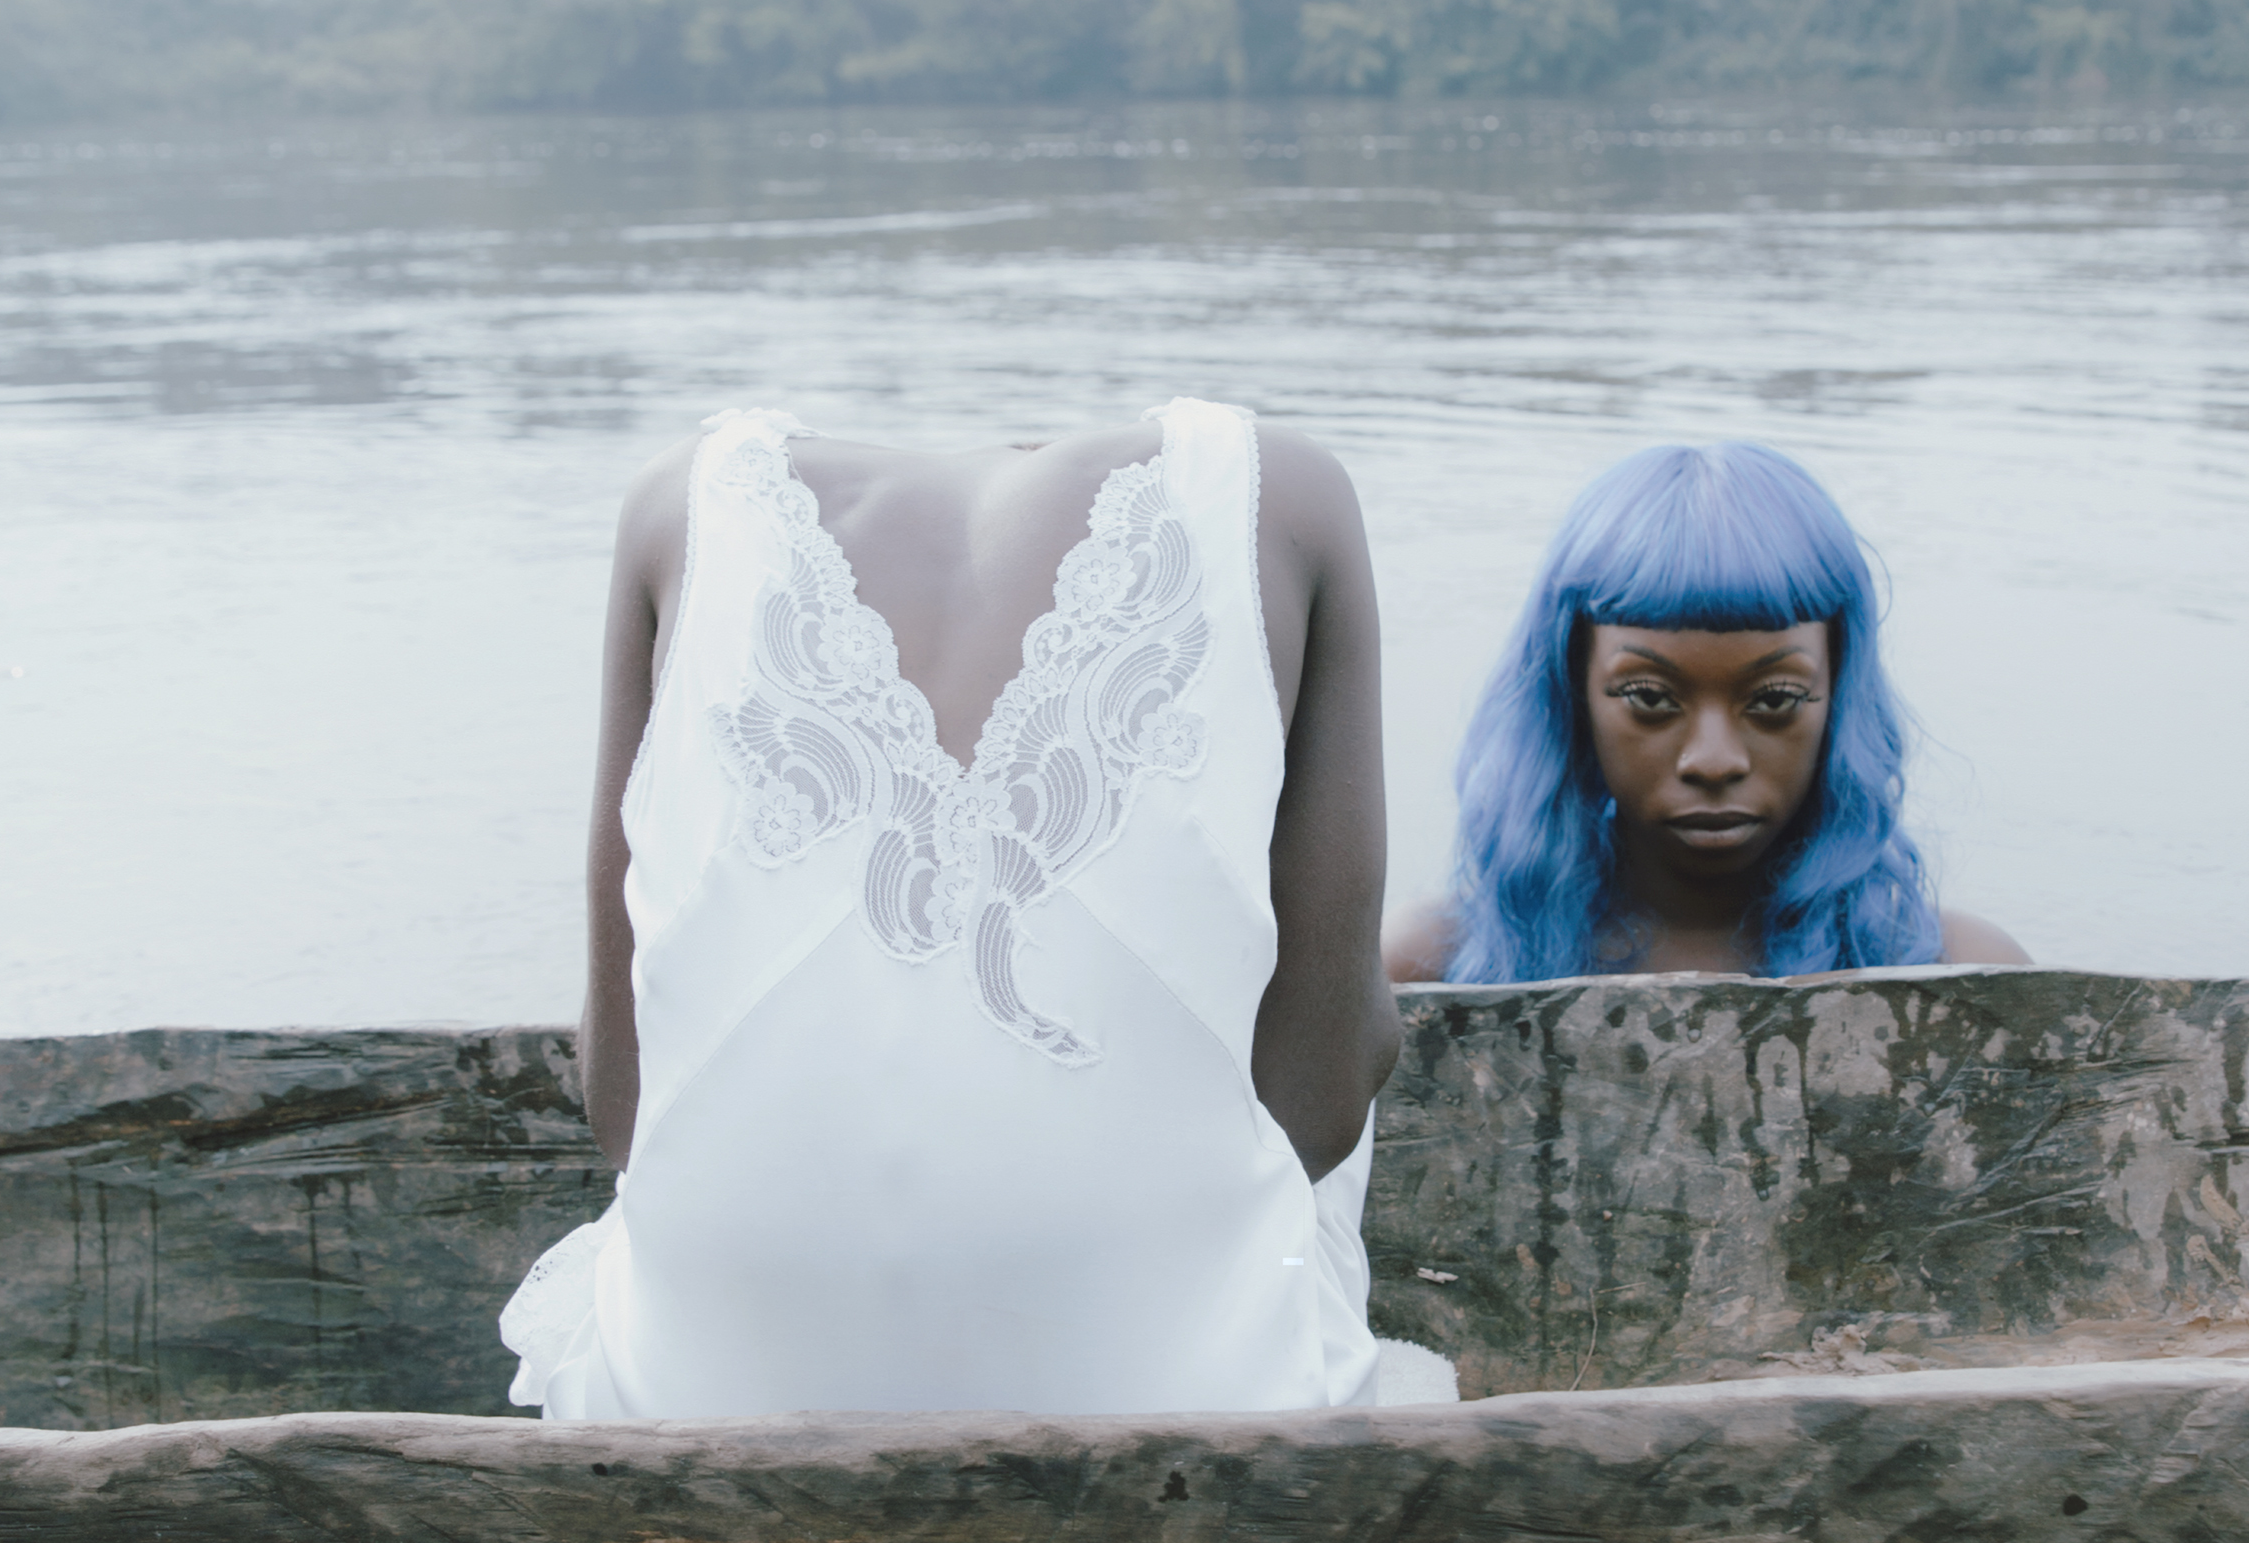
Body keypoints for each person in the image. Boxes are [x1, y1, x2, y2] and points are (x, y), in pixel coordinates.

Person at [505, 396, 1455, 1418]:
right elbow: (1323, 1097)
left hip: (699, 1397)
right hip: (1186, 1400)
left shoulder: (676, 502)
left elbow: (620, 1107)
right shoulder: (1286, 495)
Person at [1384, 438, 2028, 986]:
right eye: (1650, 699)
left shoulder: (1959, 975)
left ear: (1841, 696)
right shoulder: (1429, 971)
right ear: (1569, 691)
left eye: (1774, 701)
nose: (1714, 761)